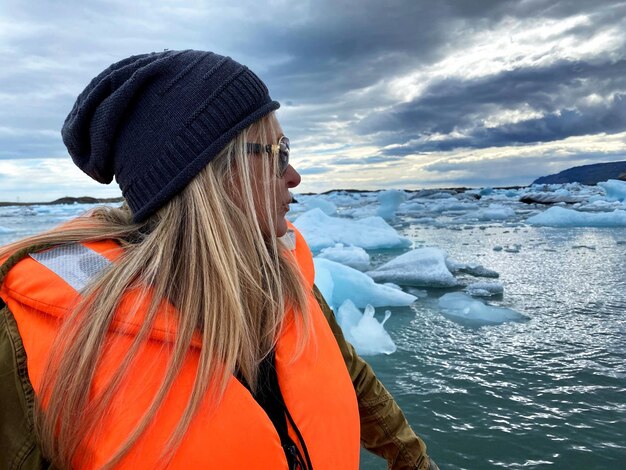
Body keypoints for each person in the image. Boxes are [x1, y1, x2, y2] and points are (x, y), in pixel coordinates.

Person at [0, 50, 438, 469]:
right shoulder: (30, 344)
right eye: (277, 152)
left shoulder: (282, 278)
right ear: (207, 172)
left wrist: (413, 460)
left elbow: (354, 379)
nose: (294, 176)